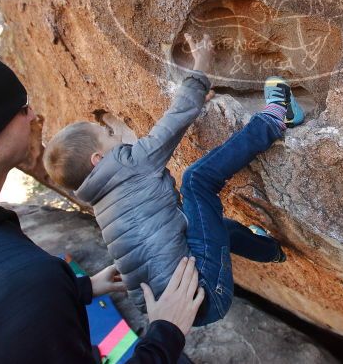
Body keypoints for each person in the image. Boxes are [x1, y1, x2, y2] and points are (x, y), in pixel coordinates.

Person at [0, 46, 202, 364]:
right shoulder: (21, 283)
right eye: (22, 106)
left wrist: (79, 287)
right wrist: (166, 333)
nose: (33, 116)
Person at [43, 33, 304, 326]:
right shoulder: (126, 165)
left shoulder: (102, 203)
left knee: (208, 225)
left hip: (182, 311)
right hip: (203, 292)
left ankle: (271, 251)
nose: (116, 135)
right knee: (196, 181)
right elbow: (172, 122)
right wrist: (200, 69)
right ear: (97, 160)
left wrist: (197, 103)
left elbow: (165, 147)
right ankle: (275, 118)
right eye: (108, 136)